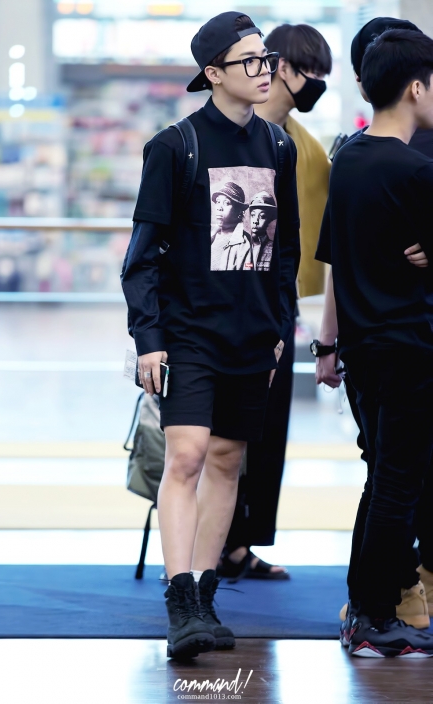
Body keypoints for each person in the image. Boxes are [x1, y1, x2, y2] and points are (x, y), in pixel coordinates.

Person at [121, 11, 300, 660]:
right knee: (188, 456)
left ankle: (203, 597)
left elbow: (285, 251)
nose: (265, 70)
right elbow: (142, 256)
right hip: (188, 334)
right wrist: (149, 338)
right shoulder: (175, 147)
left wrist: (280, 328)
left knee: (227, 461)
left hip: (253, 336)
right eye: (250, 60)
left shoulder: (278, 146)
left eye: (267, 58)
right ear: (214, 73)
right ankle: (179, 604)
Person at [315, 28, 433, 658]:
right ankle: (375, 616)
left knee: (382, 481)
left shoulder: (351, 158)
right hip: (411, 349)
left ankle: (364, 610)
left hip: (364, 350)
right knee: (398, 488)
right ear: (415, 87)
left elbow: (335, 255)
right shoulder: (417, 171)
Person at [218, 22, 331, 582]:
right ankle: (204, 548)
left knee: (267, 431)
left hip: (278, 304)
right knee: (217, 437)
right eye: (311, 73)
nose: (318, 85)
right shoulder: (235, 132)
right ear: (280, 66)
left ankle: (241, 543)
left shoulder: (304, 146)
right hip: (224, 303)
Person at [210, 182, 251, 271]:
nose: (219, 208)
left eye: (226, 203)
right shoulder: (210, 235)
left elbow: (247, 275)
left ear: (238, 211)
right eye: (218, 202)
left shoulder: (245, 245)